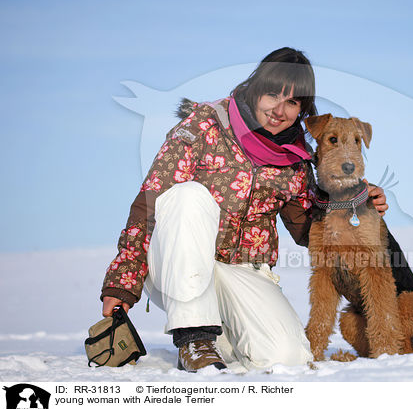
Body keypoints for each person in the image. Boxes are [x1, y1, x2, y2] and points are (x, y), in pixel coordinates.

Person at [100, 47, 388, 372]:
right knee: (188, 196)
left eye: (292, 102)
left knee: (289, 358)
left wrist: (356, 202)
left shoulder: (296, 157)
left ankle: (218, 339)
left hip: (243, 271)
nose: (279, 109)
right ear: (255, 89)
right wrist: (123, 282)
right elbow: (150, 203)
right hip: (179, 262)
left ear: (302, 108)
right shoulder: (206, 124)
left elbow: (311, 226)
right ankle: (194, 337)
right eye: (272, 94)